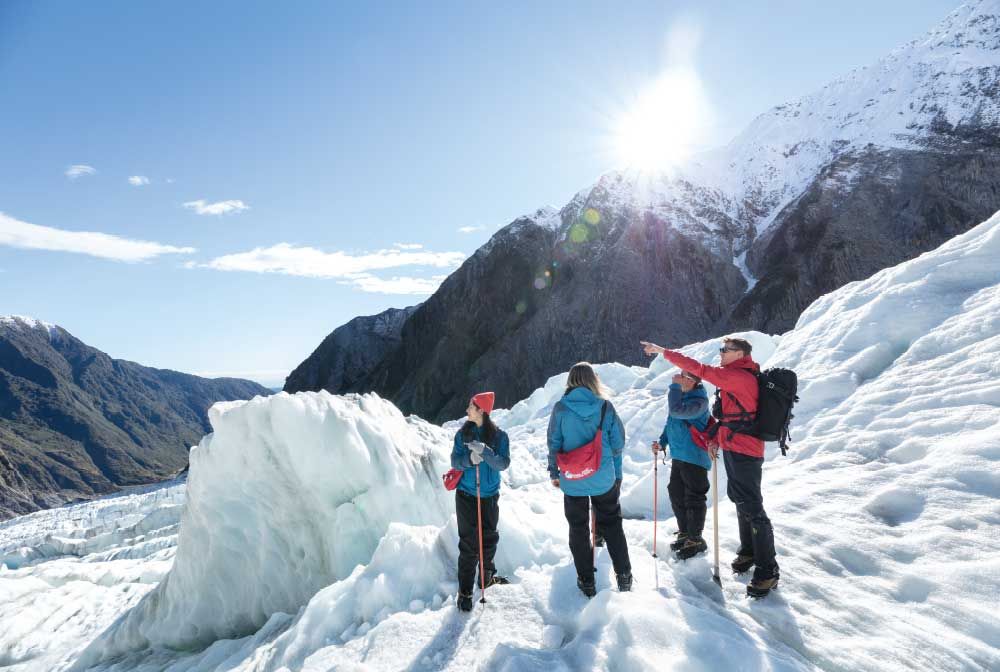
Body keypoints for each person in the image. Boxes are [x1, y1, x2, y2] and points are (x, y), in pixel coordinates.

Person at [641, 337, 780, 598]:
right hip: (734, 446)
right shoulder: (738, 377)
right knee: (740, 499)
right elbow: (729, 417)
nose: (721, 354)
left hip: (745, 450)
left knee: (751, 506)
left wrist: (663, 351)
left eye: (725, 350)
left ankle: (768, 569)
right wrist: (716, 439)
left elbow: (700, 370)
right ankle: (748, 551)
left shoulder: (738, 376)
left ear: (740, 354)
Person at [547, 362, 632, 597]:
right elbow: (618, 445)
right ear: (593, 380)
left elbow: (554, 444)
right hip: (603, 477)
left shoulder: (561, 409)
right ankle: (624, 575)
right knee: (612, 525)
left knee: (578, 528)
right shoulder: (605, 407)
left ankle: (586, 580)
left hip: (573, 479)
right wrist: (616, 473)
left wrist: (555, 473)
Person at [451, 391, 511, 611]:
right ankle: (465, 593)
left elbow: (502, 463)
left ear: (482, 411)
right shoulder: (462, 435)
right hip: (467, 495)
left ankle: (485, 578)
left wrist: (484, 452)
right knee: (468, 544)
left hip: (488, 497)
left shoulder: (500, 437)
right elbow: (454, 461)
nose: (467, 410)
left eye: (471, 406)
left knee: (489, 539)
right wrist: (468, 459)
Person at [652, 371, 712, 560]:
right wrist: (662, 442)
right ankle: (686, 532)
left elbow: (675, 412)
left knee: (694, 496)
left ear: (694, 382)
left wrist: (674, 387)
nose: (680, 378)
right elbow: (671, 423)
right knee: (676, 492)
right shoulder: (683, 399)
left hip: (695, 457)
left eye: (685, 377)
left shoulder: (699, 402)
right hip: (680, 456)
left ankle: (695, 539)